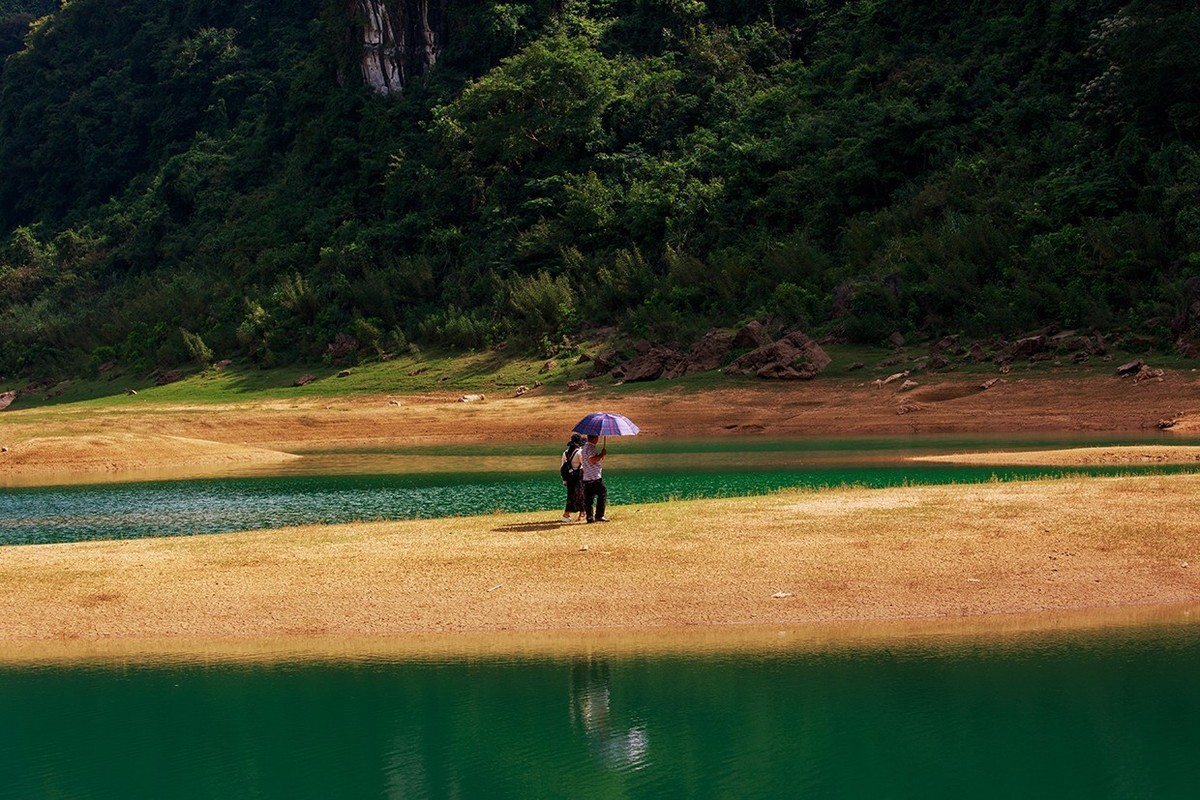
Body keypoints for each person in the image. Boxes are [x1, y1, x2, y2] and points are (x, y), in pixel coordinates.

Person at [580, 434, 609, 522]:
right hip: (594, 477)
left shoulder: (584, 447)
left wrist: (600, 455)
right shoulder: (591, 448)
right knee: (602, 493)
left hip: (586, 477)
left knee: (589, 498)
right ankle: (599, 515)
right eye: (597, 438)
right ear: (594, 439)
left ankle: (589, 517)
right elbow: (592, 460)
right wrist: (601, 454)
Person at [561, 433, 585, 522]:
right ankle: (582, 513)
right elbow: (584, 465)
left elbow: (562, 467)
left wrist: (564, 480)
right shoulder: (579, 452)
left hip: (569, 477)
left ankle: (567, 514)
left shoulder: (565, 453)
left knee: (571, 495)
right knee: (581, 494)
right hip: (579, 476)